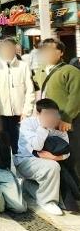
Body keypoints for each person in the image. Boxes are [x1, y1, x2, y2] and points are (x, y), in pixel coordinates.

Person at [15, 98, 70, 216]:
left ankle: (28, 186)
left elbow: (67, 150)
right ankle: (47, 202)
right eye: (47, 114)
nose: (51, 118)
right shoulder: (28, 123)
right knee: (52, 166)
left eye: (54, 114)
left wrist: (55, 158)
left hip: (47, 162)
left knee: (53, 164)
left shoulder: (58, 125)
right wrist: (43, 127)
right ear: (38, 114)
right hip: (25, 160)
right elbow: (37, 146)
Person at [34, 38, 80, 176]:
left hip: (68, 122)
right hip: (49, 121)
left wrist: (66, 118)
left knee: (73, 156)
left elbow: (76, 96)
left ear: (61, 52)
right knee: (56, 154)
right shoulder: (41, 71)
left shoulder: (70, 71)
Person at [0, 38, 36, 153]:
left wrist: (27, 111)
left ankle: (20, 162)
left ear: (15, 49)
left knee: (20, 144)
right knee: (2, 144)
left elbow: (30, 90)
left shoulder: (23, 66)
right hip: (0, 113)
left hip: (19, 113)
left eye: (10, 48)